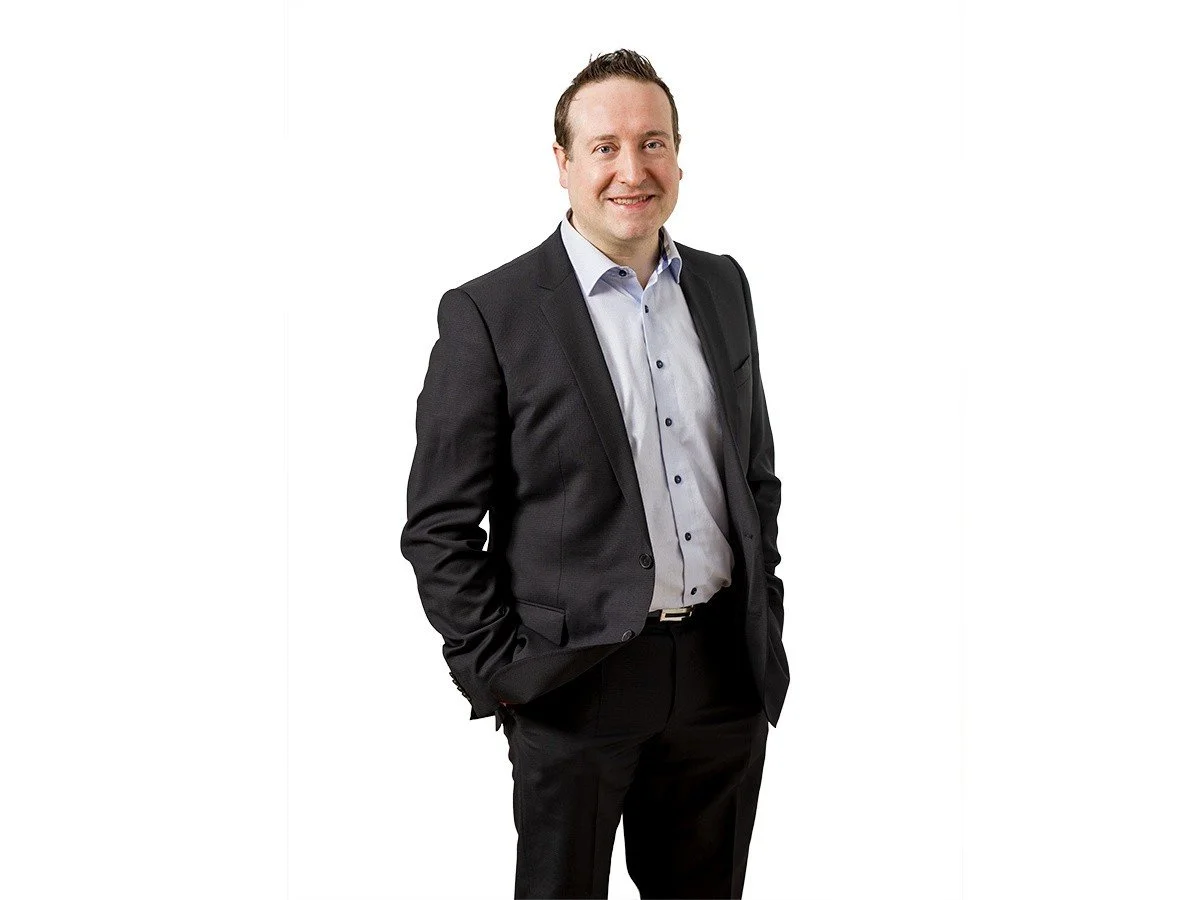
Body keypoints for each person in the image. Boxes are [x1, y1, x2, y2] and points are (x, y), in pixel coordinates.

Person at [401, 49, 789, 899]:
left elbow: (753, 476)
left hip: (721, 677)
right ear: (564, 162)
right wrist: (503, 672)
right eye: (605, 146)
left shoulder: (722, 286)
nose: (632, 170)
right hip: (573, 682)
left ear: (678, 156)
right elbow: (438, 527)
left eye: (653, 143)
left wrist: (763, 618)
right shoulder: (490, 313)